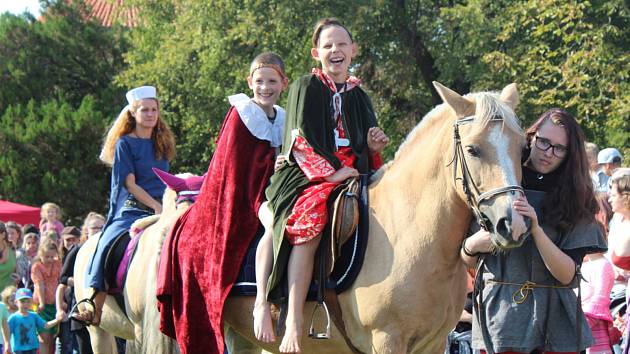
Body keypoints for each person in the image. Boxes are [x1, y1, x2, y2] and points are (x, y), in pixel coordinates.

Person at [260, 18, 388, 353]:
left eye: (342, 44)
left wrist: (373, 148)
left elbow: (367, 145)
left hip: (352, 170)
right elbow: (300, 139)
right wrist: (333, 173)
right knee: (311, 221)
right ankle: (293, 320)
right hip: (306, 172)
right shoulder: (306, 85)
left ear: (353, 50)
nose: (336, 50)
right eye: (328, 45)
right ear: (317, 52)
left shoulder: (360, 95)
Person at [156, 52, 287, 353]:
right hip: (242, 198)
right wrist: (272, 164)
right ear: (249, 82)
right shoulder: (242, 113)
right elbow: (233, 166)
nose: (265, 87)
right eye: (259, 81)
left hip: (272, 189)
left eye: (271, 81)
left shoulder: (281, 116)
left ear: (283, 83)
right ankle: (262, 304)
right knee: (273, 225)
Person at [461, 108, 607, 353]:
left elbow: (567, 275)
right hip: (501, 317)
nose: (548, 153)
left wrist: (536, 230)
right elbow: (468, 261)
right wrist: (472, 245)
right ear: (531, 137)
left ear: (570, 154)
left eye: (559, 148)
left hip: (555, 323)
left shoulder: (575, 198)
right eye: (544, 142)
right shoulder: (496, 186)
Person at [74, 85, 175, 327]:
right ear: (133, 113)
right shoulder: (124, 144)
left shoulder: (163, 143)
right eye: (144, 110)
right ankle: (93, 304)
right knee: (107, 242)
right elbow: (130, 184)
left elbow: (168, 180)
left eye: (153, 110)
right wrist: (156, 207)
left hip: (165, 206)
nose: (150, 114)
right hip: (132, 208)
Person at [56, 212, 104, 354]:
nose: (99, 231)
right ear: (86, 231)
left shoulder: (108, 249)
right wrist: (81, 282)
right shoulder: (78, 250)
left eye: (102, 227)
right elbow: (62, 279)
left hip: (105, 309)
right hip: (81, 305)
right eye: (95, 228)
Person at [7, 288, 63, 354]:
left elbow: (45, 325)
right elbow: (7, 333)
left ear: (32, 302)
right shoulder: (13, 318)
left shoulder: (34, 316)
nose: (26, 304)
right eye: (22, 301)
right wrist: (7, 346)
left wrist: (57, 320)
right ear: (16, 302)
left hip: (32, 348)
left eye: (28, 301)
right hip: (19, 349)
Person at [31, 239, 61, 354]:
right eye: (47, 256)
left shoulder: (58, 264)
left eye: (52, 256)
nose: (50, 259)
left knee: (52, 338)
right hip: (41, 305)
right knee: (44, 338)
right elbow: (39, 284)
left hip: (55, 304)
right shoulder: (37, 266)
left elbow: (60, 282)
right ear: (41, 254)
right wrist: (42, 303)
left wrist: (61, 301)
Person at [580, 251, 615, 354]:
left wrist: (582, 324)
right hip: (581, 321)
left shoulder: (603, 265)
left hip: (593, 323)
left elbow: (600, 299)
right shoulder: (584, 264)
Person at [0, 222, 17, 293]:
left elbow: (14, 269)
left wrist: (17, 276)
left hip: (9, 297)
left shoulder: (12, 247)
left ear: (3, 234)